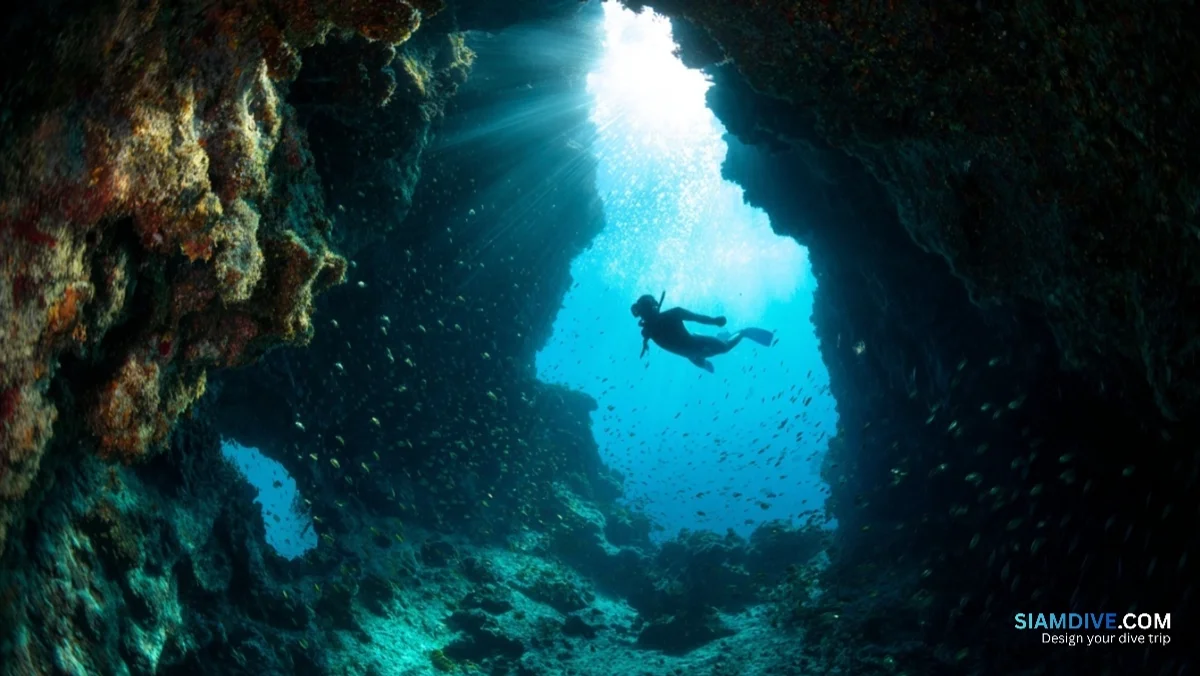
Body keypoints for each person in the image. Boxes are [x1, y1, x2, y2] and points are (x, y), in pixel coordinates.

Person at [631, 292, 775, 372]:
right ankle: (717, 342)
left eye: (645, 308)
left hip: (697, 344)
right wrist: (645, 345)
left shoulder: (674, 314)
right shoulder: (647, 331)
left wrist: (715, 321)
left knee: (725, 348)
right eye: (641, 311)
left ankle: (744, 332)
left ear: (654, 306)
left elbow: (697, 318)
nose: (644, 314)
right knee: (703, 363)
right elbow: (646, 337)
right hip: (690, 354)